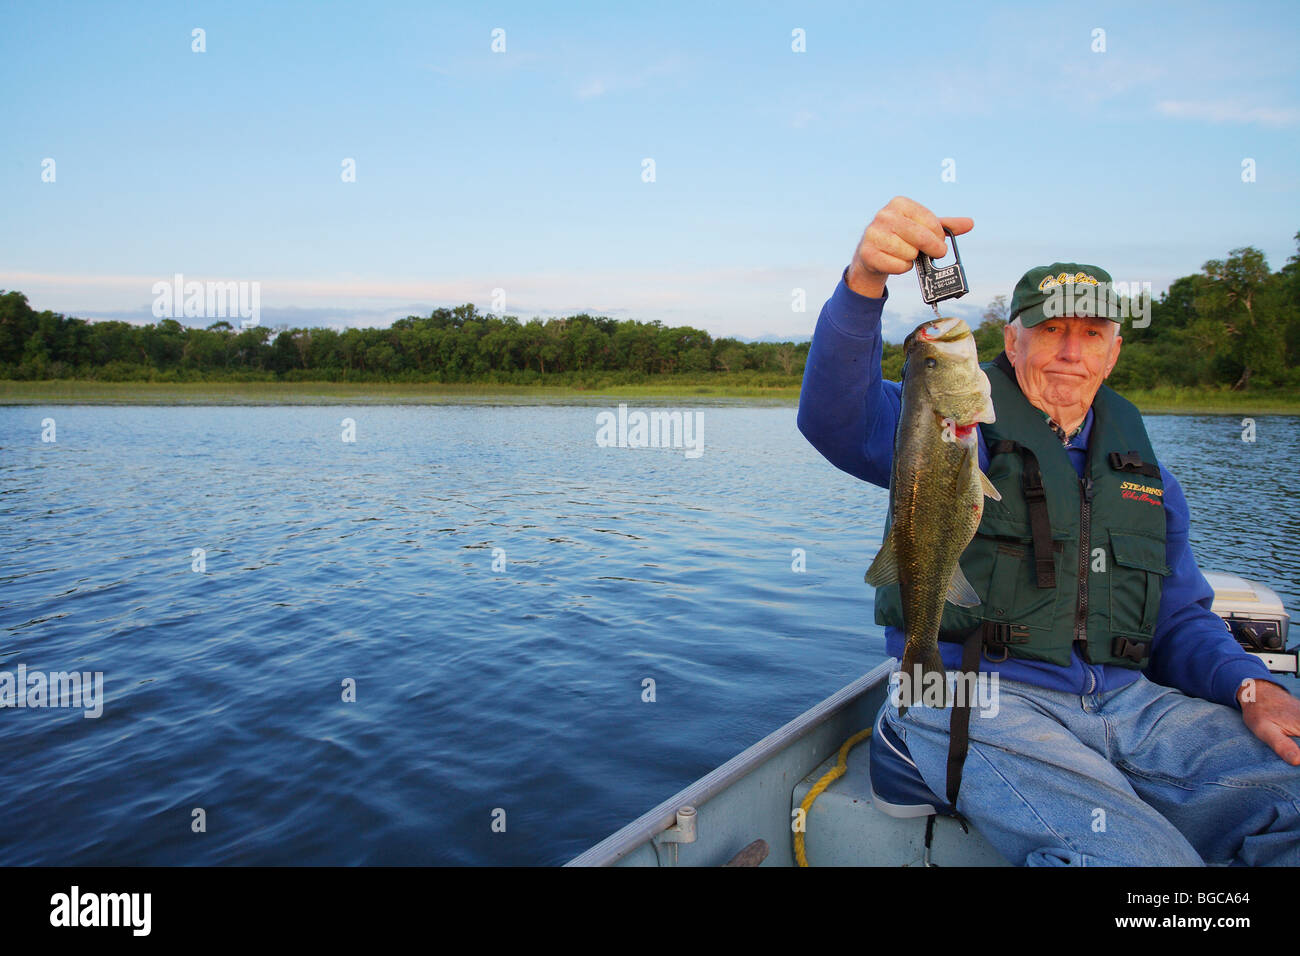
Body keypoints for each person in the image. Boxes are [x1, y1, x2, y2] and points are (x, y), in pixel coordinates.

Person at [797, 195, 1300, 865]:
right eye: (1051, 329)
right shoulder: (945, 421)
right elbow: (834, 417)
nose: (1070, 352)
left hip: (1131, 707)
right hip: (975, 691)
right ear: (1012, 340)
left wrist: (1252, 686)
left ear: (1113, 353)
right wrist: (864, 283)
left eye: (1091, 334)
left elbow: (1179, 620)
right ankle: (908, 735)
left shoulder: (1148, 478)